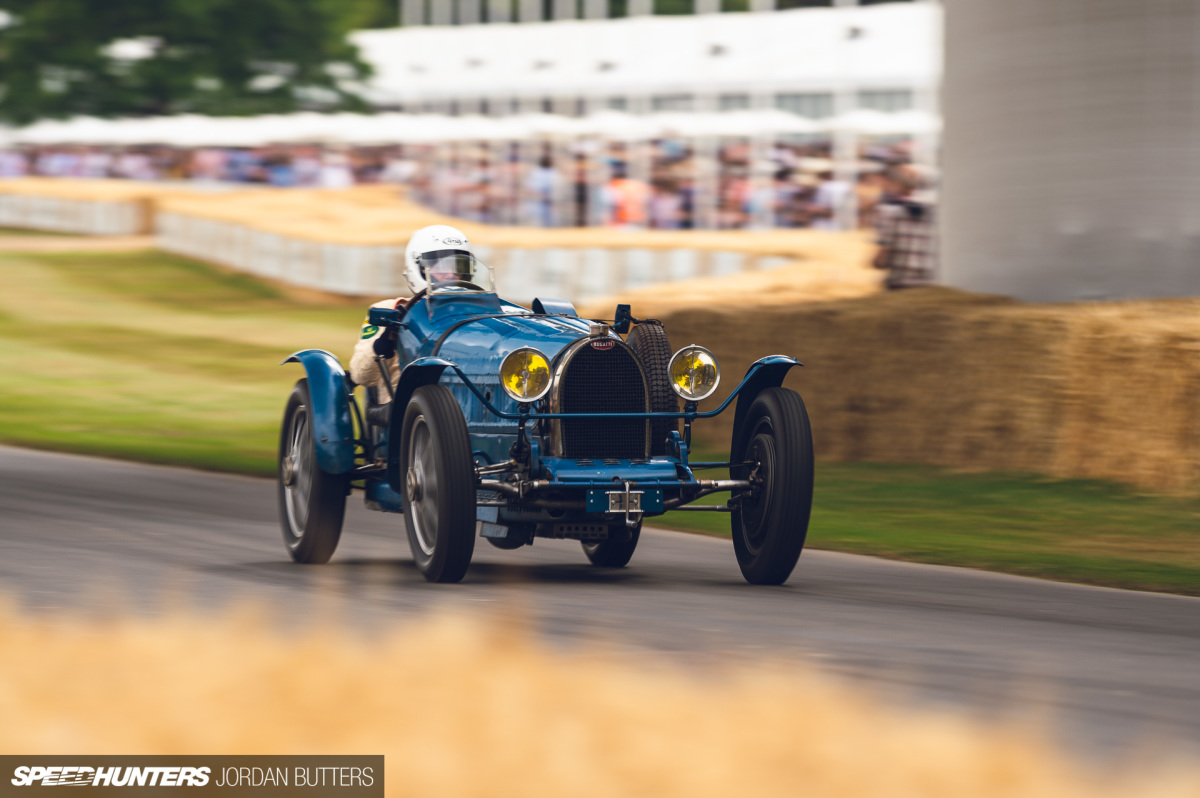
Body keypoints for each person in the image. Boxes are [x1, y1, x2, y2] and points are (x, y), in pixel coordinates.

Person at [349, 225, 486, 417]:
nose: (452, 275)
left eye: (458, 267)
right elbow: (359, 375)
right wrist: (383, 344)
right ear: (418, 268)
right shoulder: (389, 309)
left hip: (468, 408)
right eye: (441, 267)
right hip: (403, 413)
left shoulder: (479, 314)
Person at [872, 167, 937, 290]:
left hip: (900, 284)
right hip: (930, 286)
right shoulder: (939, 216)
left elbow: (881, 260)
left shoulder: (887, 213)